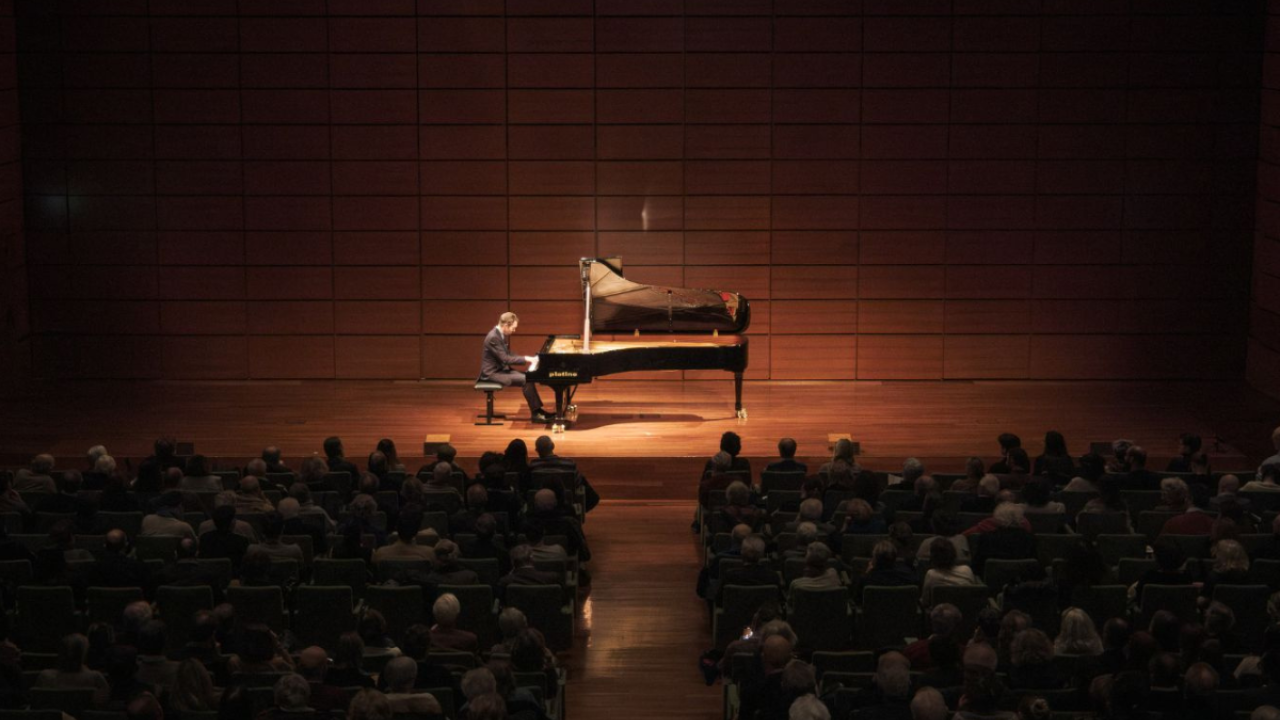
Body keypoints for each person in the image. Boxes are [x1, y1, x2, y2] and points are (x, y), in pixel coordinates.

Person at [479, 311, 546, 422]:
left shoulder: (499, 335)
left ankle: (538, 411)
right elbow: (505, 359)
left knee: (528, 377)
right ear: (506, 325)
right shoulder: (493, 337)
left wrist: (528, 358)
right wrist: (526, 359)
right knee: (526, 379)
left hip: (500, 370)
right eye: (513, 328)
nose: (514, 330)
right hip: (492, 373)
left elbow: (508, 354)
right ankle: (536, 414)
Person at [921, 537, 978, 607]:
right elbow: (975, 595)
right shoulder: (967, 570)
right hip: (967, 612)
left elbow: (925, 602)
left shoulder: (931, 574)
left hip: (940, 613)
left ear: (933, 557)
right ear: (954, 553)